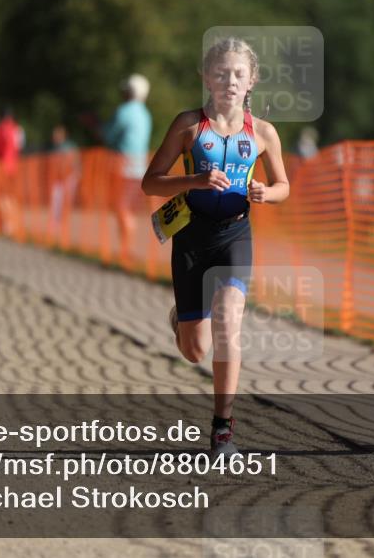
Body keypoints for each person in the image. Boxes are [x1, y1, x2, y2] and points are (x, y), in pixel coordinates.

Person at [141, 38, 290, 456]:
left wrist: (265, 192)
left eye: (239, 74)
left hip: (234, 236)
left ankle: (223, 430)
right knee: (195, 350)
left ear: (252, 81)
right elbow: (150, 182)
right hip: (191, 237)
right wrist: (193, 181)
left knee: (228, 322)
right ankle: (181, 321)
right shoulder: (189, 125)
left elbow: (284, 186)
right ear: (206, 77)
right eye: (221, 73)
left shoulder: (262, 132)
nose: (230, 81)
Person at [104, 74, 153, 265]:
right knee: (129, 210)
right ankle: (127, 249)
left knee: (122, 208)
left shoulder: (124, 111)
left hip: (122, 168)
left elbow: (109, 135)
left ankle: (126, 250)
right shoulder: (145, 114)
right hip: (139, 169)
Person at [0, 107, 21, 235]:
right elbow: (19, 146)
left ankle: (6, 224)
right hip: (14, 164)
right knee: (11, 195)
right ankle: (13, 222)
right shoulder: (17, 128)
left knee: (3, 195)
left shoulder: (0, 129)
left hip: (2, 165)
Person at [47, 124, 80, 239]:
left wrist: (75, 175)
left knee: (64, 203)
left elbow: (74, 163)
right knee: (56, 201)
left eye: (57, 135)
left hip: (68, 179)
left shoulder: (68, 147)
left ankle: (63, 225)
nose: (55, 137)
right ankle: (55, 225)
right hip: (59, 180)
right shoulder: (55, 148)